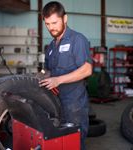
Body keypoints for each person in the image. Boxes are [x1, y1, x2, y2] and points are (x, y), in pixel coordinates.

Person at [39, 1, 92, 150]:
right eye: (47, 24)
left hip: (74, 105)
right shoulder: (50, 47)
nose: (51, 28)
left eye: (54, 22)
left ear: (65, 18)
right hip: (55, 103)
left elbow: (87, 70)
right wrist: (41, 76)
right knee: (60, 143)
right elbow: (49, 71)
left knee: (75, 143)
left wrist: (58, 80)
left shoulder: (77, 40)